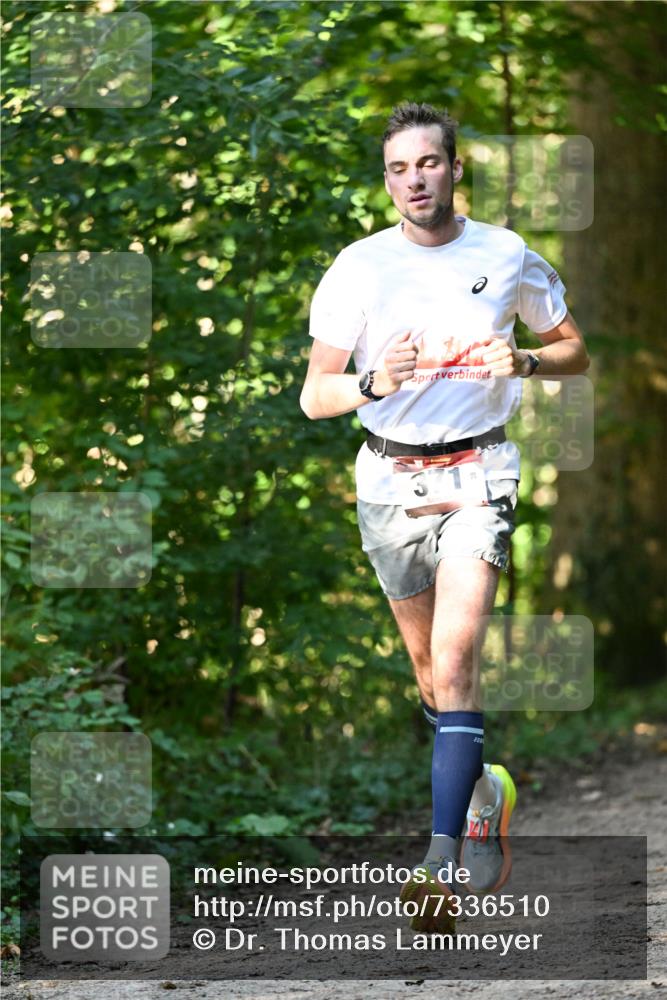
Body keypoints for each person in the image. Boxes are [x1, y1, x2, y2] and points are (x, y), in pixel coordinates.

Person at [299, 101, 589, 933]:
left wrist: (527, 358)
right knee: (431, 679)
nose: (412, 180)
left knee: (458, 662)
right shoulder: (358, 268)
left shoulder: (503, 255)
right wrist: (370, 384)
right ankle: (484, 792)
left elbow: (574, 348)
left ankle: (436, 865)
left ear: (455, 168)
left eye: (427, 163)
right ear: (386, 178)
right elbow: (315, 396)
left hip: (478, 472)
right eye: (397, 168)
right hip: (388, 481)